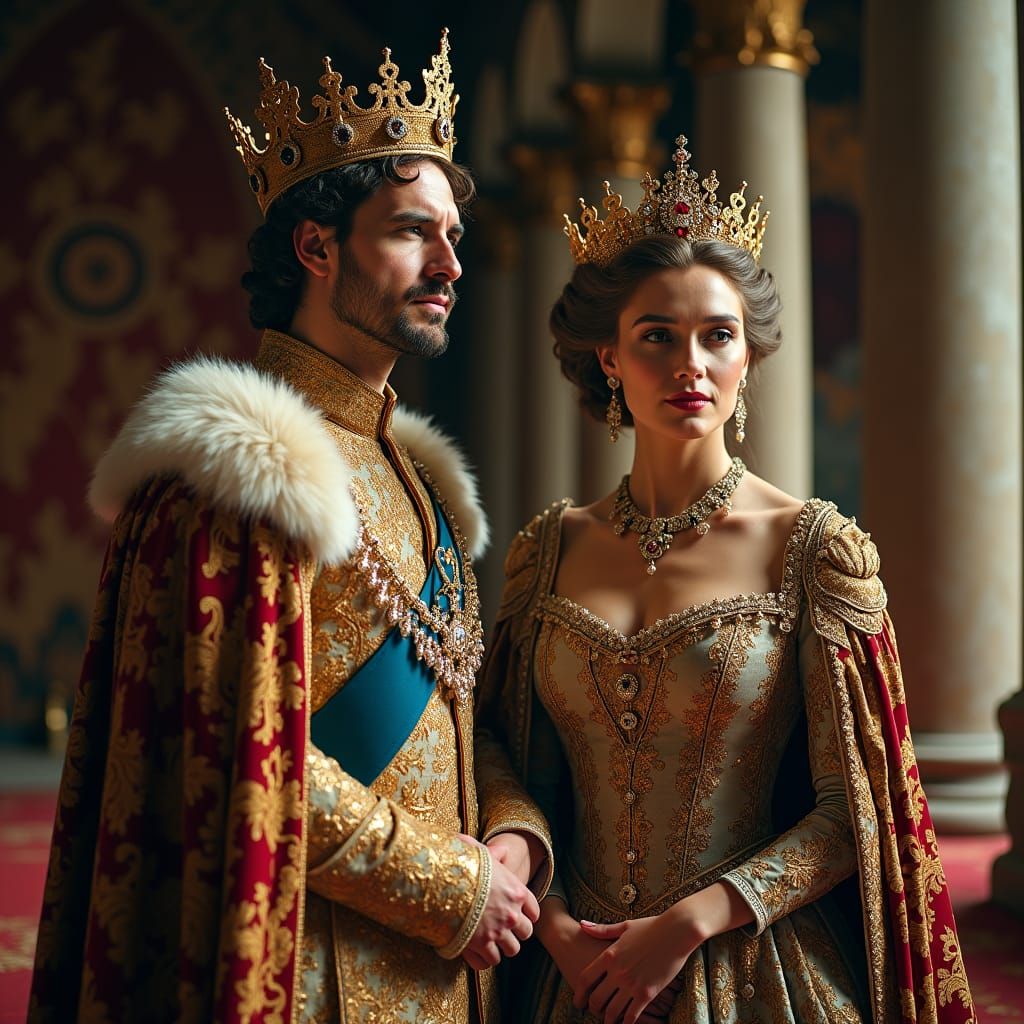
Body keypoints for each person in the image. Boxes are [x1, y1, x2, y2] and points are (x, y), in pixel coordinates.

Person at [29, 30, 552, 1024]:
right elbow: (234, 757)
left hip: (449, 974)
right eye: (410, 231)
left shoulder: (424, 480)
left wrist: (514, 839)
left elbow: (458, 713)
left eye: (453, 237)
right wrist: (454, 889)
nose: (447, 263)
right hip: (300, 971)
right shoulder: (232, 474)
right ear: (317, 247)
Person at [475, 137, 976, 1023]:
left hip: (753, 972)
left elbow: (855, 805)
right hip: (574, 978)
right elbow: (509, 761)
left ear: (746, 359)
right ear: (609, 359)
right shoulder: (545, 550)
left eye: (718, 336)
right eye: (656, 336)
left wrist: (692, 921)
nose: (689, 365)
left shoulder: (814, 547)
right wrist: (549, 923)